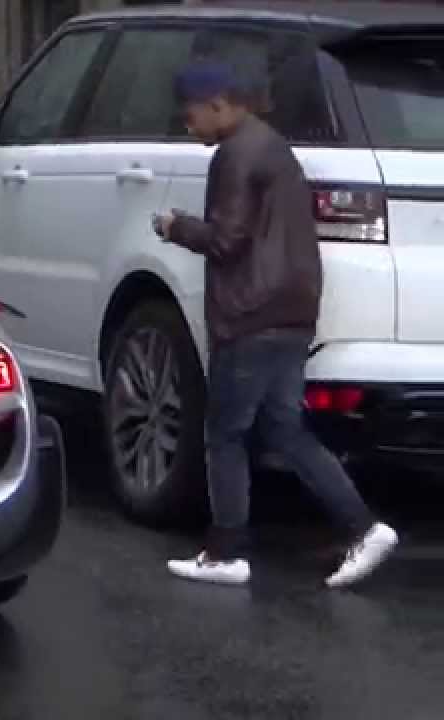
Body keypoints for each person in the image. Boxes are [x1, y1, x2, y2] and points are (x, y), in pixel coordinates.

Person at [156, 61, 397, 588]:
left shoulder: (235, 154)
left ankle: (225, 552)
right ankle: (363, 528)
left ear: (219, 103)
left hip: (249, 315)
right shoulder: (273, 146)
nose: (188, 125)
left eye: (191, 114)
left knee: (224, 432)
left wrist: (175, 227)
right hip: (291, 312)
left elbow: (226, 240)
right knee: (285, 430)